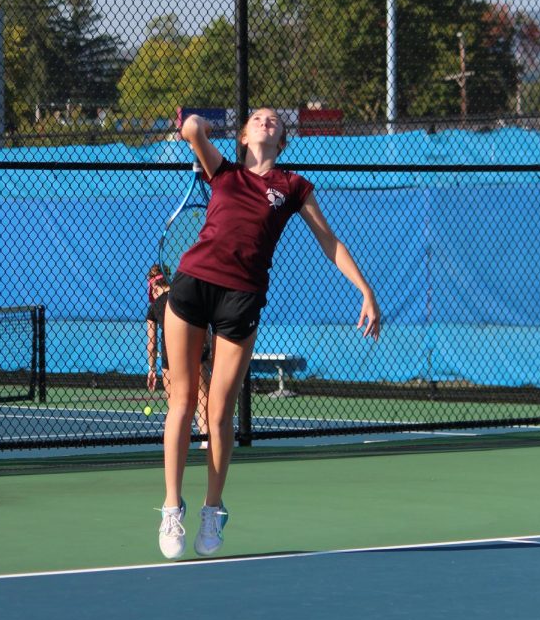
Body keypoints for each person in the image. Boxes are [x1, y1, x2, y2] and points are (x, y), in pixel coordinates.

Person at [157, 107, 380, 560]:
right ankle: (170, 507)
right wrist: (196, 125)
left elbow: (329, 241)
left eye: (274, 120)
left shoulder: (294, 186)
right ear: (242, 135)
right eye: (258, 118)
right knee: (182, 402)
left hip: (242, 297)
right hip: (192, 286)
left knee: (219, 415)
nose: (267, 121)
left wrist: (365, 290)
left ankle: (212, 508)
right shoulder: (222, 171)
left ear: (283, 141)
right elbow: (193, 131)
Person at [146, 265, 211, 446]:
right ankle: (205, 441)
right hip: (196, 353)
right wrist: (210, 349)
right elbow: (205, 327)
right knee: (203, 399)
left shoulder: (154, 307)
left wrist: (151, 368)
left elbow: (151, 344)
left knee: (175, 404)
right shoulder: (186, 297)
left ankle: (178, 444)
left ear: (153, 286)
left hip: (170, 360)